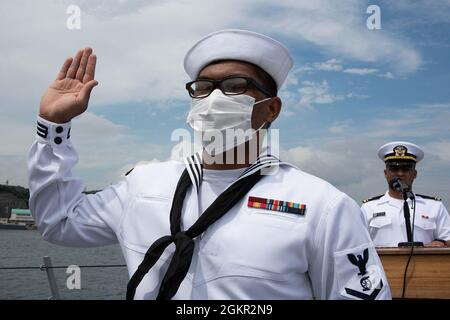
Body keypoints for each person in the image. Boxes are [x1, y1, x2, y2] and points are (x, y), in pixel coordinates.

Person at [28, 29, 391, 300]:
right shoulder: (142, 186)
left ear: (271, 109)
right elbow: (58, 222)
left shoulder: (322, 206)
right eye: (203, 87)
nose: (214, 98)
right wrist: (52, 129)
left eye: (235, 86)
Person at [361, 141, 450, 247]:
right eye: (394, 169)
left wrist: (441, 242)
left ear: (415, 174)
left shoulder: (434, 207)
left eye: (406, 169)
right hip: (382, 263)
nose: (400, 173)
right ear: (386, 174)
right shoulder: (368, 208)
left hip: (424, 263)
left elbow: (448, 238)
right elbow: (358, 243)